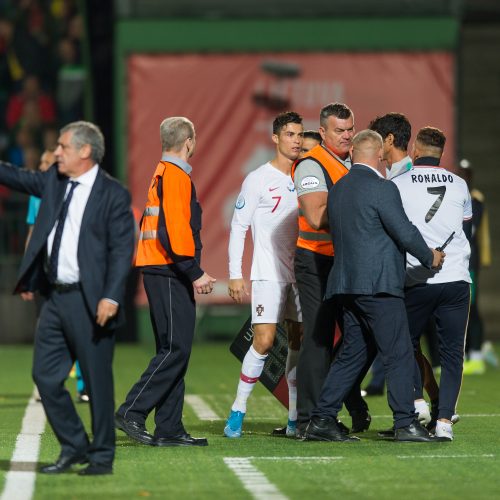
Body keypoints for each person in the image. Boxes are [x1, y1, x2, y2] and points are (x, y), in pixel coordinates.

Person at [0, 121, 135, 475]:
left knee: (97, 382)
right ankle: (74, 446)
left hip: (92, 302)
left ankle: (102, 456)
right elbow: (16, 177)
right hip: (56, 299)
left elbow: (123, 251)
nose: (56, 152)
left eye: (63, 147)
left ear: (85, 151)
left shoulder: (113, 194)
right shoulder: (53, 181)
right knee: (45, 377)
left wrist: (111, 296)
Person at [303, 130, 444, 443]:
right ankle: (406, 423)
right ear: (380, 155)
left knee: (353, 354)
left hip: (346, 286)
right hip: (378, 286)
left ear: (353, 152)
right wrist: (429, 256)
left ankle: (322, 419)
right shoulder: (383, 188)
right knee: (399, 354)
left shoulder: (338, 189)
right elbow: (404, 231)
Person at [115, 117, 216, 448]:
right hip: (169, 270)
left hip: (161, 269)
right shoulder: (175, 176)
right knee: (175, 348)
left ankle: (169, 427)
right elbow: (172, 230)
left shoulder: (164, 172)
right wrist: (194, 271)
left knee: (174, 349)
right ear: (188, 141)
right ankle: (132, 410)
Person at [224, 111, 304, 439]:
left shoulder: (306, 177)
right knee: (265, 340)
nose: (296, 141)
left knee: (298, 343)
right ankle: (238, 410)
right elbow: (239, 226)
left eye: (300, 135)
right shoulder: (258, 178)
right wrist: (234, 274)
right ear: (275, 138)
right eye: (290, 135)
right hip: (267, 274)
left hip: (300, 276)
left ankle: (295, 418)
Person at [291, 102, 369, 436]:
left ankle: (344, 406)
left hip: (345, 260)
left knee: (361, 337)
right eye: (340, 130)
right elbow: (315, 216)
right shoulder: (311, 165)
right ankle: (311, 418)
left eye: (350, 129)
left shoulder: (351, 163)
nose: (347, 135)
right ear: (322, 132)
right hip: (315, 261)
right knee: (319, 337)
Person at [392, 127, 472, 441]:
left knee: (405, 343)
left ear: (415, 149)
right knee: (453, 354)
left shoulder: (398, 184)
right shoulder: (460, 184)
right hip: (455, 278)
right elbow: (465, 225)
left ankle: (417, 402)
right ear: (441, 152)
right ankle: (444, 424)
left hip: (416, 279)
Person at [458, 158, 495, 374]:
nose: (461, 177)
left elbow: (470, 231)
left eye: (465, 174)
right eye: (459, 173)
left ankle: (477, 355)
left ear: (470, 178)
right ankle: (469, 353)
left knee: (471, 307)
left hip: (470, 261)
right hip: (461, 261)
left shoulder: (475, 201)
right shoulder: (458, 197)